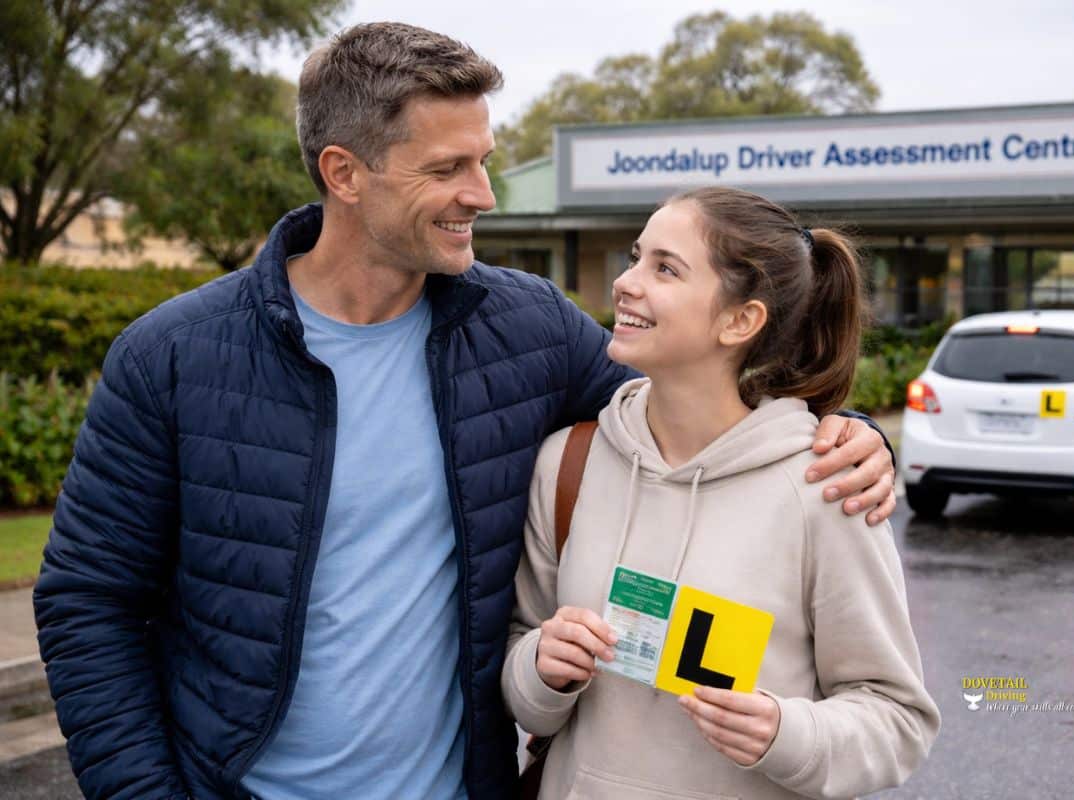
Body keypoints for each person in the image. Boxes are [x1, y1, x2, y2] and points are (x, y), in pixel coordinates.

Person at [33, 23, 898, 800]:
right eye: (447, 169)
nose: (482, 193)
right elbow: (87, 602)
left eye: (484, 160)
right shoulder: (172, 357)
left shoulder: (527, 328)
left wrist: (844, 434)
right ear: (344, 173)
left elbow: (699, 409)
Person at [503, 187, 940, 799]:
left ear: (740, 321)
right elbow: (523, 678)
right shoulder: (568, 464)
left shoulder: (827, 488)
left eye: (665, 269)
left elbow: (897, 719)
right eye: (636, 257)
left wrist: (787, 735)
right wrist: (541, 670)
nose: (626, 283)